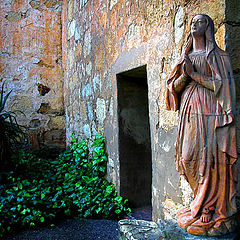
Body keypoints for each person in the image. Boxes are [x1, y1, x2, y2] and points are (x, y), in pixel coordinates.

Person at [166, 14, 238, 236]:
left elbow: (222, 86)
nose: (194, 25)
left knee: (210, 158)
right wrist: (185, 77)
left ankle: (209, 206)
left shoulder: (219, 56)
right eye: (192, 22)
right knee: (187, 157)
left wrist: (194, 75)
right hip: (189, 111)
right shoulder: (184, 57)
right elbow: (173, 89)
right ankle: (199, 199)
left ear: (208, 27)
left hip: (211, 112)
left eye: (199, 22)